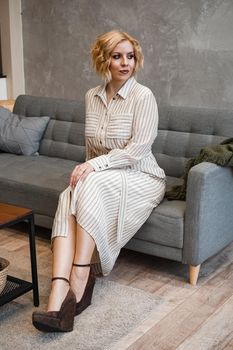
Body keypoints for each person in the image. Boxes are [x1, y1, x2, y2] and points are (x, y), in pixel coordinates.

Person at [32, 30, 166, 332]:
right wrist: (89, 167)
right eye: (117, 56)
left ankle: (81, 276)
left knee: (87, 183)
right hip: (105, 174)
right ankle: (58, 293)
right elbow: (91, 148)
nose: (125, 63)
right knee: (71, 192)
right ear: (103, 59)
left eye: (130, 56)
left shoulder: (143, 97)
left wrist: (94, 166)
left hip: (140, 175)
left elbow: (136, 151)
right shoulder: (91, 97)